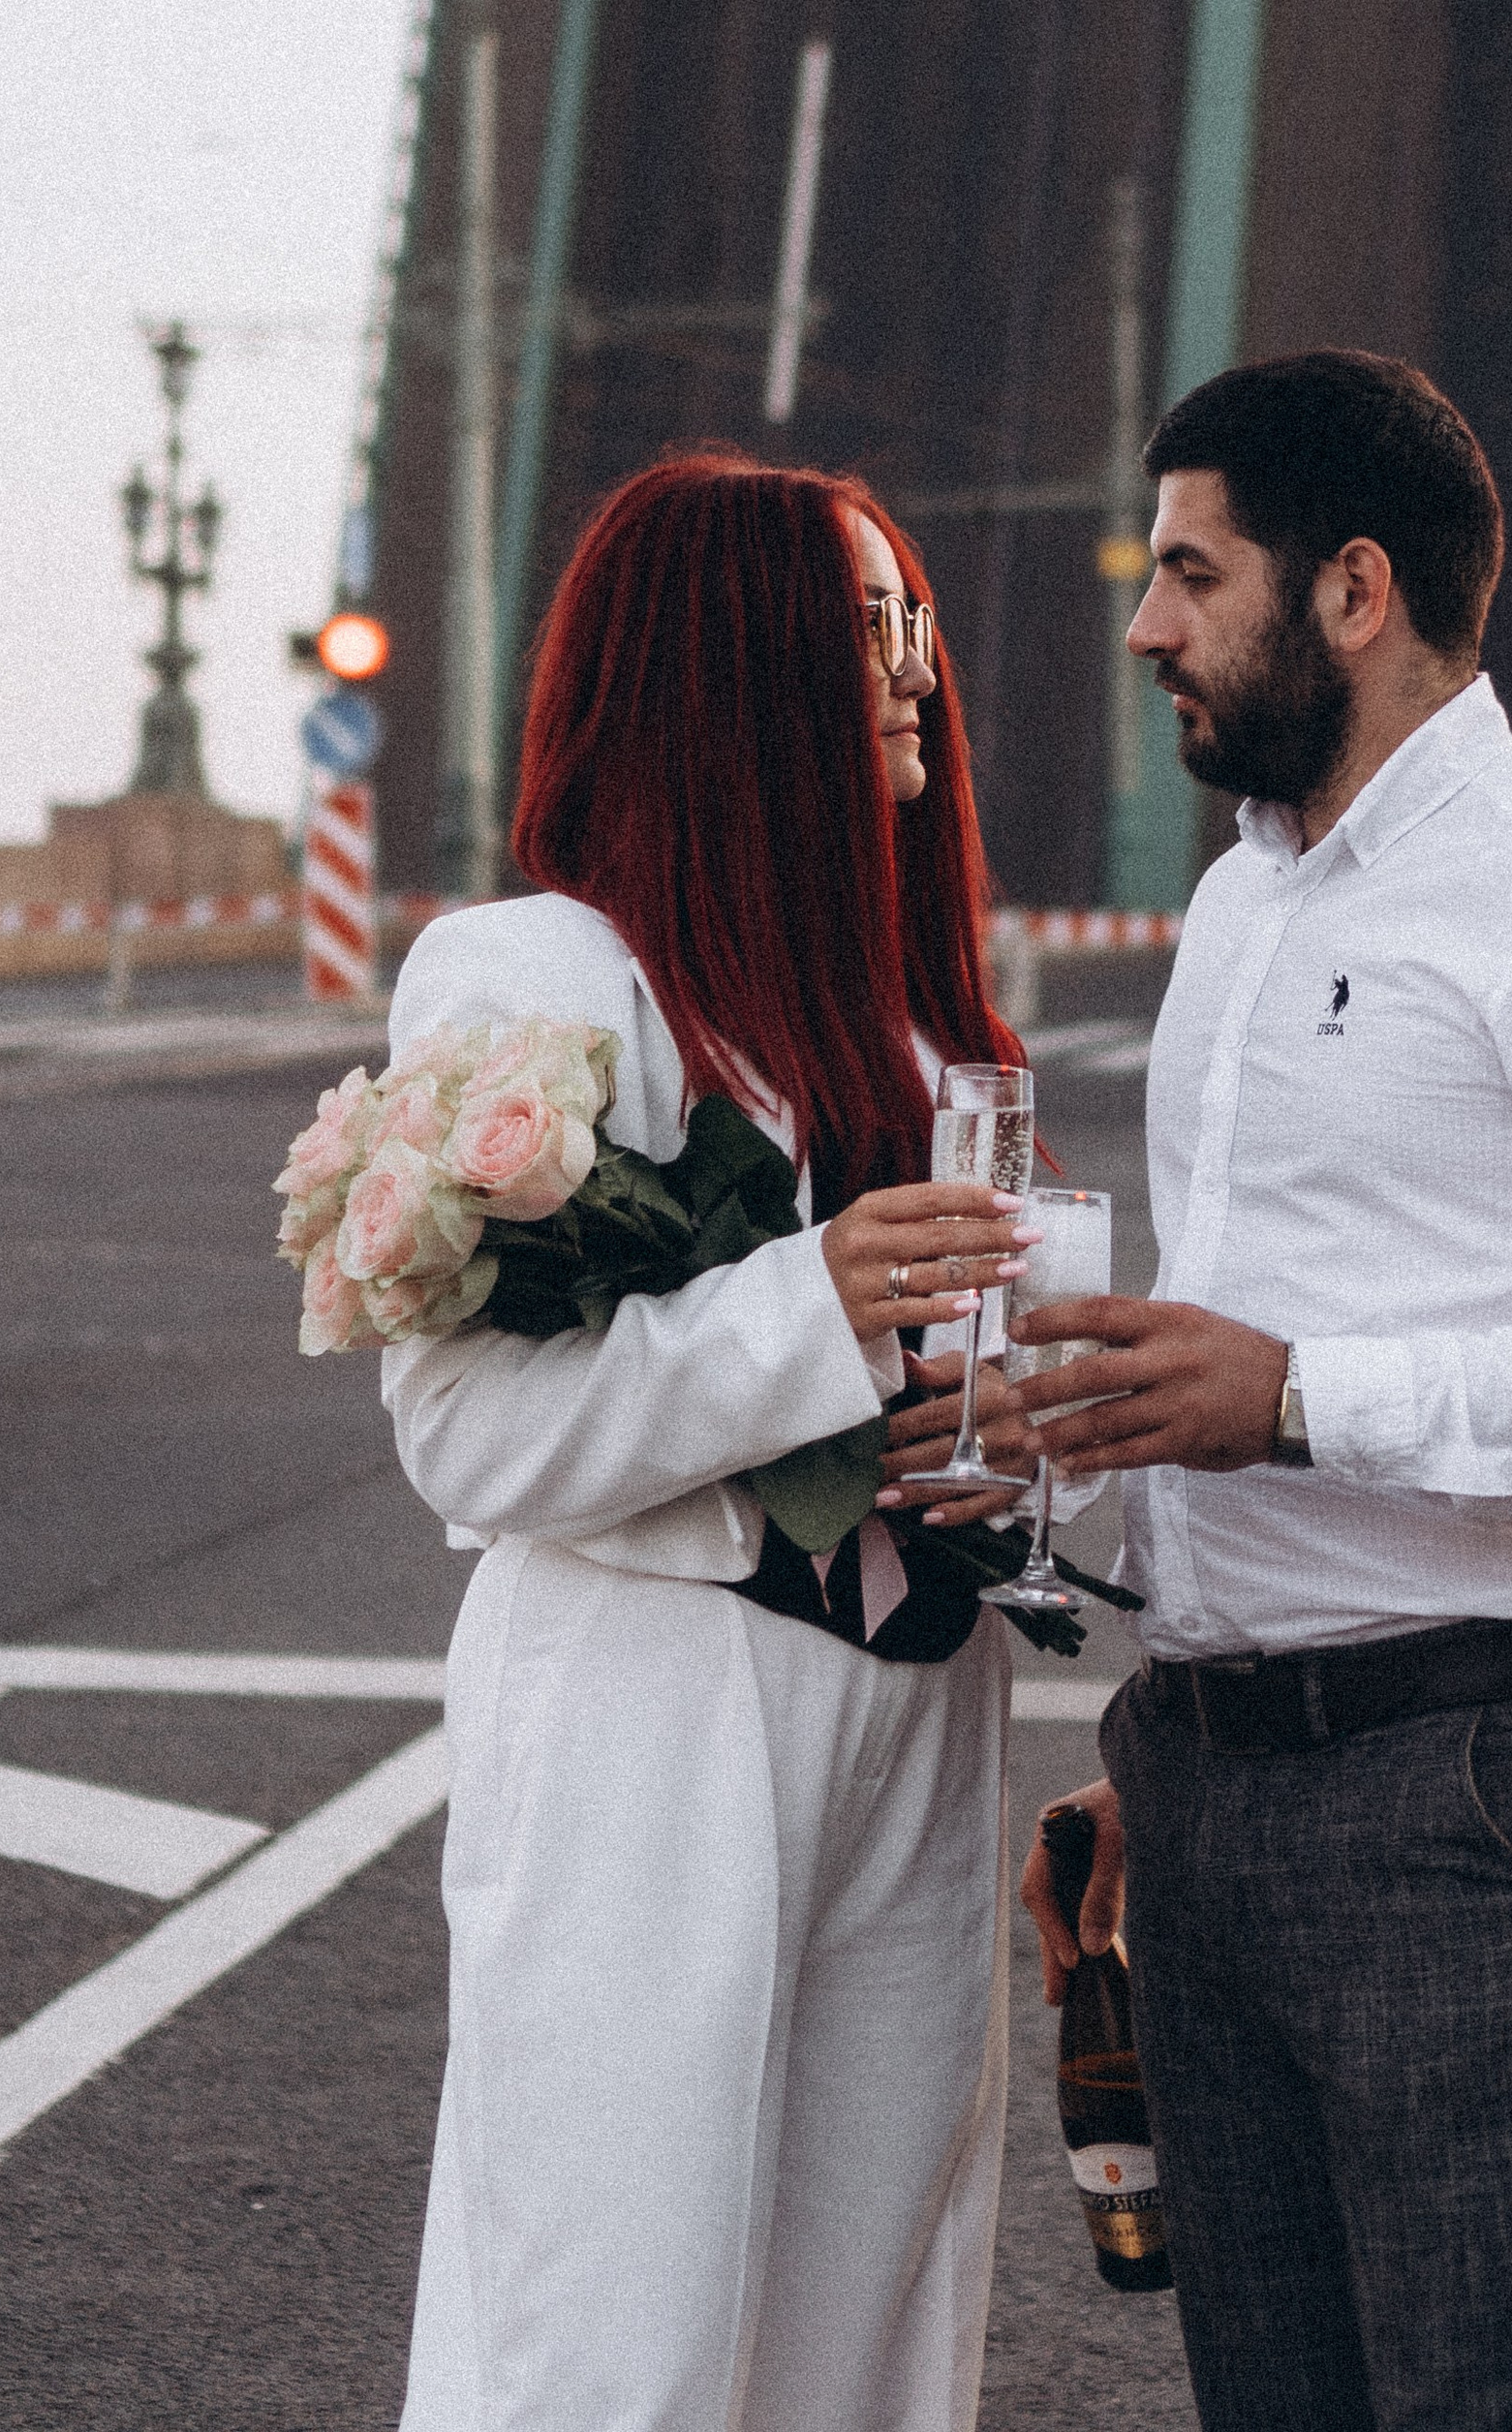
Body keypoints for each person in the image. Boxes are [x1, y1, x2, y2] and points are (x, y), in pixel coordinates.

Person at [1010, 351, 1512, 2432]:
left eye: (1189, 572)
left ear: (1351, 588)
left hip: (1470, 1800)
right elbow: (1254, 1334)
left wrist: (1298, 1402)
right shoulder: (1235, 904)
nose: (1144, 627)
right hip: (1214, 1793)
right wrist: (1185, 1727)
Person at [381, 449, 1034, 2432]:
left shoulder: (924, 1040)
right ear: (723, 669)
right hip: (652, 1716)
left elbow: (973, 1410)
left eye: (910, 620)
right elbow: (465, 1440)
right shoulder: (536, 985)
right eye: (863, 627)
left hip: (917, 1712)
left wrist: (1023, 1448)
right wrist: (811, 1313)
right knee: (609, 2336)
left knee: (869, 2340)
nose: (915, 668)